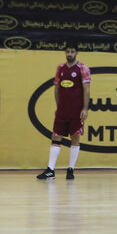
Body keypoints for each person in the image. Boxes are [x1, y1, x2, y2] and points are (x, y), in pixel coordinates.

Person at [36, 43, 91, 180]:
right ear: (65, 53)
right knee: (56, 137)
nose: (70, 54)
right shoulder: (60, 68)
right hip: (62, 111)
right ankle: (50, 170)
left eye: (72, 51)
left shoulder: (83, 69)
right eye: (67, 51)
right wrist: (58, 106)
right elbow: (56, 89)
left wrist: (85, 108)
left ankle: (71, 169)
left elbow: (86, 90)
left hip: (76, 110)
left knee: (75, 138)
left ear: (76, 53)